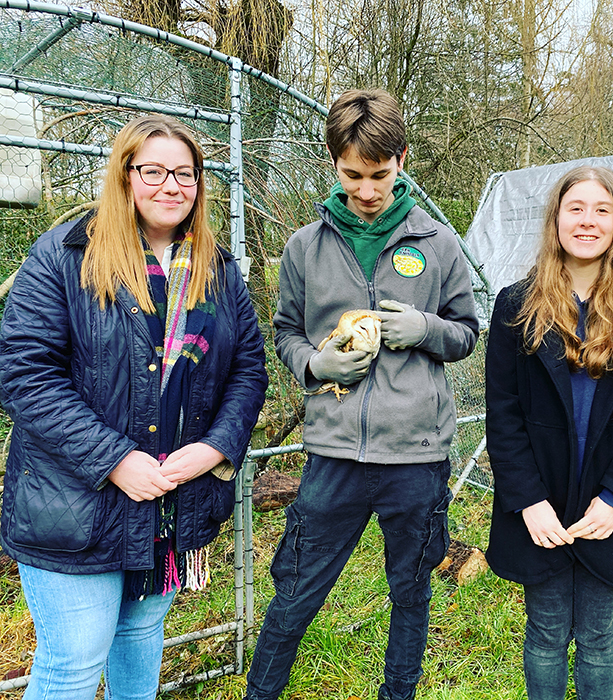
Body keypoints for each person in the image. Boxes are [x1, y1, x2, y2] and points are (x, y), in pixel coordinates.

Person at [0, 115, 268, 700]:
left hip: (171, 503)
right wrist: (116, 459)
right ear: (125, 176)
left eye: (186, 173)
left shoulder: (217, 270)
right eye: (154, 171)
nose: (171, 186)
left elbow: (248, 370)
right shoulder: (67, 256)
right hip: (77, 506)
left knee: (141, 636)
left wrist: (215, 447)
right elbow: (25, 374)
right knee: (73, 662)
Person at [244, 89, 479, 700]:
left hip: (416, 457)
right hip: (334, 456)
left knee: (410, 593)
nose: (367, 190)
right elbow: (286, 334)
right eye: (352, 175)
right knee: (294, 591)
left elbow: (466, 333)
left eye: (379, 174)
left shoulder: (437, 243)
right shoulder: (305, 247)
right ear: (334, 163)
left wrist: (426, 330)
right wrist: (314, 363)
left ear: (402, 159)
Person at [485, 166, 613, 700]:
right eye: (576, 208)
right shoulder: (516, 305)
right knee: (545, 633)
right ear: (556, 219)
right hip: (540, 505)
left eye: (601, 210)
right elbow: (503, 416)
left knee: (598, 637)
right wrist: (528, 501)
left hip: (609, 508)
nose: (587, 221)